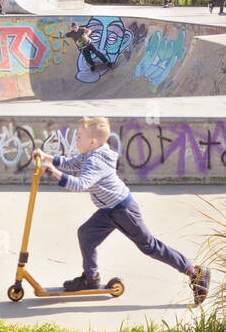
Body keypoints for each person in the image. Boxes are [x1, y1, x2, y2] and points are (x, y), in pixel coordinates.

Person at [32, 117, 211, 303]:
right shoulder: (91, 153)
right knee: (86, 234)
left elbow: (81, 184)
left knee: (150, 246)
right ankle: (91, 278)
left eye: (79, 136)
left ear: (92, 142)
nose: (76, 140)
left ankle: (194, 272)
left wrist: (53, 172)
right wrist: (47, 157)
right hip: (109, 211)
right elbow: (71, 163)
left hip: (124, 210)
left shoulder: (96, 161)